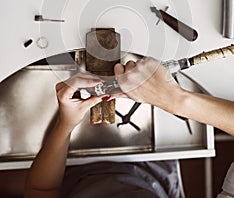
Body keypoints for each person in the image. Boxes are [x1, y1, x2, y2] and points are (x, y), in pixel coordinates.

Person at [24, 58, 234, 198]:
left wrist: (66, 124)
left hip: (74, 170)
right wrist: (174, 98)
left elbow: (41, 190)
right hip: (156, 168)